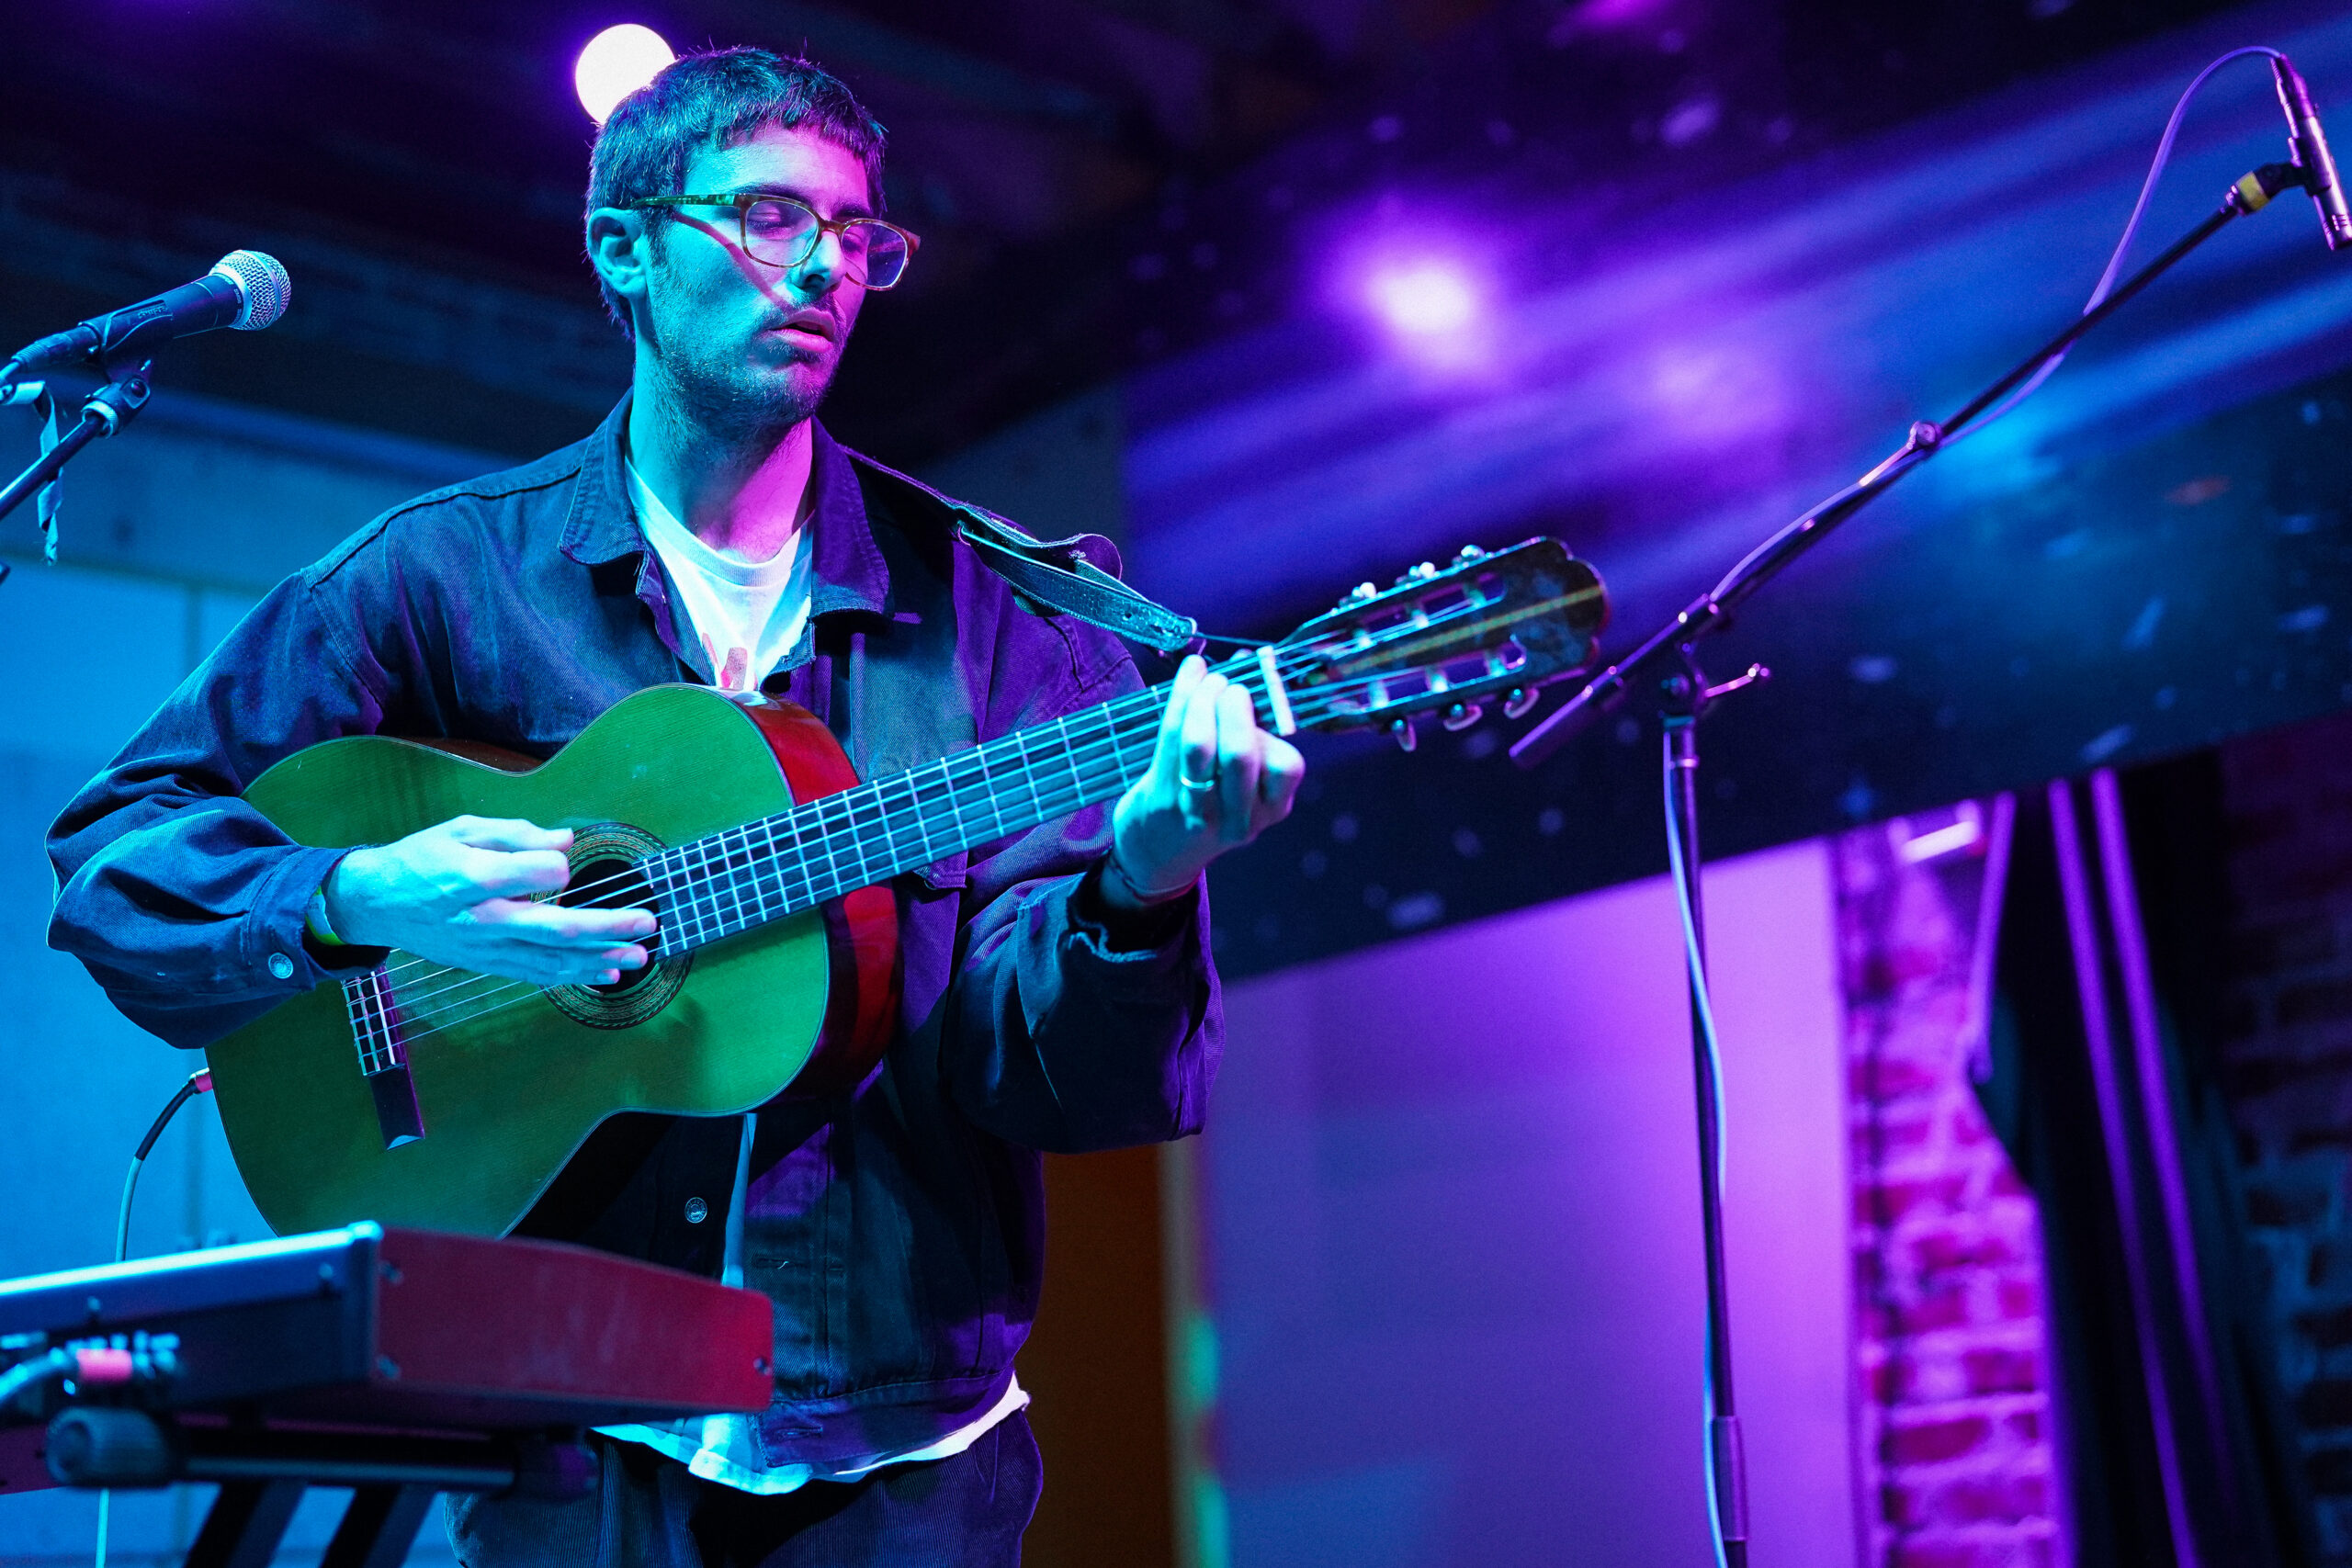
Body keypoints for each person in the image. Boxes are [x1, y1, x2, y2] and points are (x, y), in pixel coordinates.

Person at [45, 47, 1304, 1567]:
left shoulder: (1002, 613)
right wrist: (353, 898)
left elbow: (1048, 1074)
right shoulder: (446, 575)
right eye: (771, 218)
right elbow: (119, 848)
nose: (824, 266)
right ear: (626, 248)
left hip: (902, 1452)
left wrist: (1144, 883)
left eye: (857, 234)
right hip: (559, 1440)